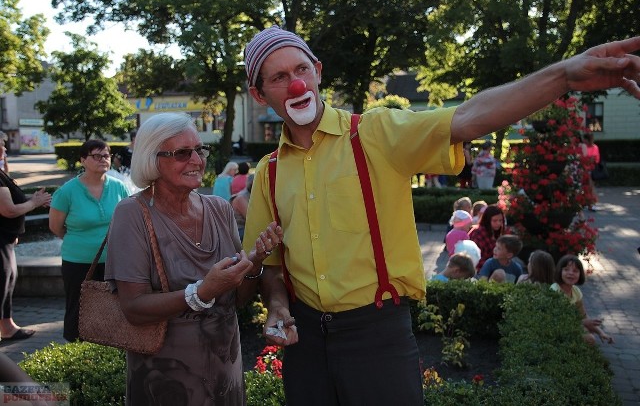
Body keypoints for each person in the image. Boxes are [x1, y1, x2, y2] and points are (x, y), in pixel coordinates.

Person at [242, 25, 640, 405]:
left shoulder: (375, 133)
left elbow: (466, 116)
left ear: (318, 72)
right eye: (278, 78)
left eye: (301, 69)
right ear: (259, 95)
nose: (296, 84)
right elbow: (272, 267)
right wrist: (277, 303)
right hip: (305, 341)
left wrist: (564, 75)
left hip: (375, 334)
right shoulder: (269, 173)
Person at [105, 112, 282, 405]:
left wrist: (256, 261)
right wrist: (201, 292)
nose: (197, 160)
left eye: (199, 149)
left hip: (226, 375)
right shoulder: (132, 214)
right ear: (152, 159)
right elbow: (133, 308)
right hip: (165, 382)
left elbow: (238, 300)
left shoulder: (220, 210)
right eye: (182, 153)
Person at [49, 140, 130, 342]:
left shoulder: (120, 187)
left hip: (112, 260)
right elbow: (55, 227)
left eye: (106, 155)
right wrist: (80, 242)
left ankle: (107, 346)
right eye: (96, 156)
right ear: (83, 160)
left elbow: (127, 222)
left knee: (112, 307)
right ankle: (76, 347)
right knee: (78, 306)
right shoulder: (67, 192)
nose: (103, 159)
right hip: (77, 261)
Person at [0, 137, 51, 341]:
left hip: (6, 239)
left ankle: (7, 326)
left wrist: (31, 200)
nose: (4, 149)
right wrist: (35, 203)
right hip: (0, 240)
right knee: (2, 281)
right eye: (1, 146)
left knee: (8, 280)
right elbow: (8, 210)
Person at [551, 255, 614, 345]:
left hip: (572, 325)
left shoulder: (576, 291)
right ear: (559, 271)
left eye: (575, 271)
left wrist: (601, 333)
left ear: (580, 274)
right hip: (557, 328)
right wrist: (583, 323)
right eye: (566, 269)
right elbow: (557, 319)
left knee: (589, 335)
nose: (571, 273)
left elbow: (583, 315)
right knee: (589, 338)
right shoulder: (555, 290)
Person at [469, 204, 506, 271]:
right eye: (495, 221)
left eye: (500, 220)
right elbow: (476, 258)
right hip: (478, 269)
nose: (498, 223)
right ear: (487, 220)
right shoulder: (478, 233)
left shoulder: (497, 232)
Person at [231, 173, 254, 241]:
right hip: (239, 230)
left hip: (246, 228)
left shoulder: (251, 195)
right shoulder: (241, 197)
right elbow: (250, 218)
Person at [583, 132, 600, 211]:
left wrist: (585, 160)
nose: (583, 140)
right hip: (583, 170)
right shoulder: (583, 147)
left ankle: (591, 204)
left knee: (590, 188)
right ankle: (585, 203)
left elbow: (593, 159)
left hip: (590, 170)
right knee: (583, 188)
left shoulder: (594, 147)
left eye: (585, 139)